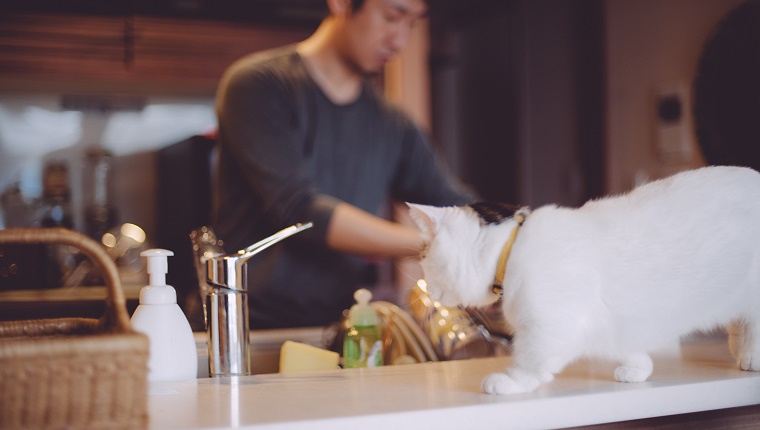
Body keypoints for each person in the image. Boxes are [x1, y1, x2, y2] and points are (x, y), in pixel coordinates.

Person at [213, 0, 474, 329]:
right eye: (393, 17)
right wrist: (434, 245)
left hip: (338, 326)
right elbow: (300, 210)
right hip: (249, 327)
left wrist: (519, 235)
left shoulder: (391, 122)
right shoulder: (259, 85)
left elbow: (456, 203)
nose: (400, 42)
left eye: (412, 25)